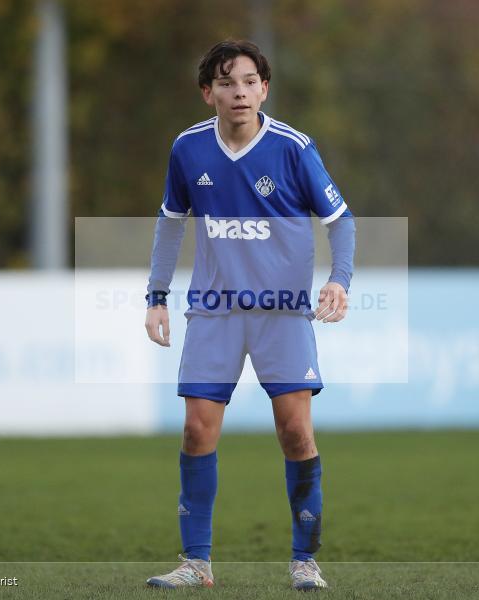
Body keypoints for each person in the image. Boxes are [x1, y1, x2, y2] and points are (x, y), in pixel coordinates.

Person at [143, 39, 355, 591]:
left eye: (249, 81)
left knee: (294, 431)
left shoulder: (292, 148)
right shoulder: (188, 149)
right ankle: (196, 563)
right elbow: (170, 223)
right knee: (195, 429)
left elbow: (341, 220)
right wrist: (156, 296)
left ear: (264, 88)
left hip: (282, 314)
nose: (239, 91)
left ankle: (305, 559)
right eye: (226, 81)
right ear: (207, 92)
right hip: (214, 310)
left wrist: (339, 280)